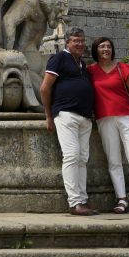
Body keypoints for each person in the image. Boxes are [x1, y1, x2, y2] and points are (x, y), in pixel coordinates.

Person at [86, 37, 129, 214]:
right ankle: (122, 199)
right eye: (102, 46)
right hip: (104, 118)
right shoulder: (90, 70)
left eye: (109, 46)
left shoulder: (122, 68)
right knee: (114, 160)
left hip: (126, 117)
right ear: (96, 50)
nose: (106, 49)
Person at [39, 28, 97, 216]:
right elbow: (45, 88)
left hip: (84, 117)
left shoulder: (82, 64)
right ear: (67, 43)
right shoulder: (60, 58)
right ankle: (74, 202)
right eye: (75, 41)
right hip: (66, 114)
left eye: (82, 41)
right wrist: (49, 115)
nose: (80, 44)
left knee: (82, 159)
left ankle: (82, 199)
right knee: (72, 156)